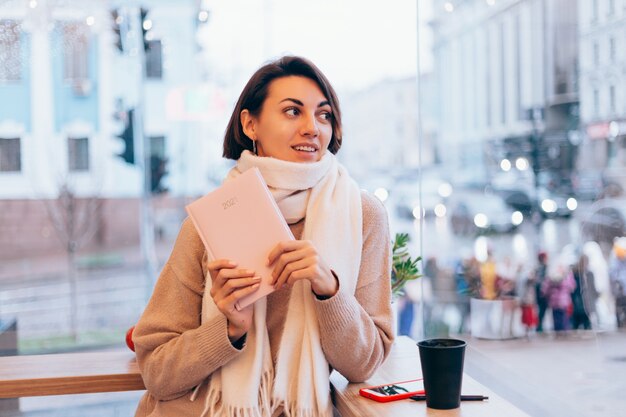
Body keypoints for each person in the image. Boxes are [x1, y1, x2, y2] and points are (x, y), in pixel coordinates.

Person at [132, 56, 394, 417]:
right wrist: (229, 329)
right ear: (250, 123)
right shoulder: (210, 220)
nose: (312, 128)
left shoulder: (361, 215)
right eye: (292, 112)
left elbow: (364, 364)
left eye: (324, 115)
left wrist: (328, 288)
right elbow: (157, 371)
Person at [570, 254, 598, 330]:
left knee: (584, 324)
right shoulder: (576, 273)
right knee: (579, 325)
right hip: (579, 302)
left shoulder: (588, 274)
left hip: (583, 302)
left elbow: (592, 288)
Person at [533, 251, 549, 332]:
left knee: (541, 310)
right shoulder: (543, 268)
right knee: (542, 310)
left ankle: (539, 325)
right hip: (542, 292)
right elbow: (542, 281)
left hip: (539, 291)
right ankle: (539, 326)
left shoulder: (537, 268)